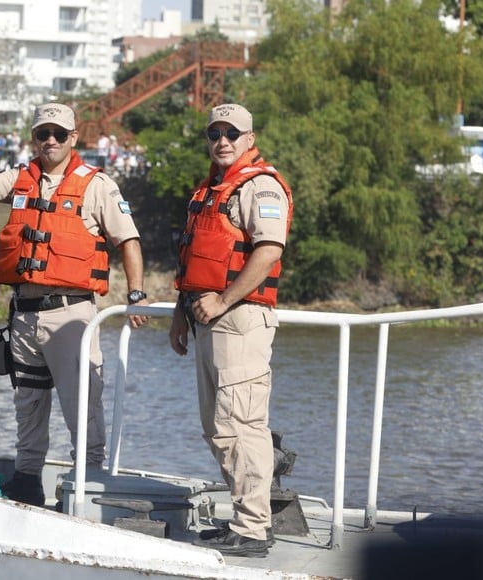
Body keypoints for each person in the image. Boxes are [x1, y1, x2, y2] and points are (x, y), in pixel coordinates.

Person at [0, 103, 150, 506]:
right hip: (25, 316)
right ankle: (28, 480)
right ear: (35, 138)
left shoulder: (98, 185)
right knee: (28, 402)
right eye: (43, 133)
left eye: (59, 134)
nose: (50, 141)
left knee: (82, 404)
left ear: (73, 138)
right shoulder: (20, 178)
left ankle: (91, 484)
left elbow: (128, 241)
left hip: (72, 316)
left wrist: (135, 293)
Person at [168, 103, 293, 558]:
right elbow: (194, 261)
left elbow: (268, 251)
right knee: (218, 427)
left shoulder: (260, 187)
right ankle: (245, 519)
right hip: (205, 321)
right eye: (215, 133)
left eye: (231, 133)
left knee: (242, 424)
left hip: (239, 322)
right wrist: (181, 314)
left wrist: (223, 300)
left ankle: (253, 528)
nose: (222, 140)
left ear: (248, 138)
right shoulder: (208, 190)